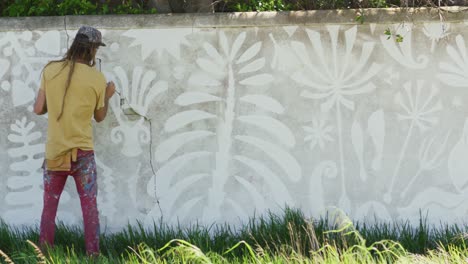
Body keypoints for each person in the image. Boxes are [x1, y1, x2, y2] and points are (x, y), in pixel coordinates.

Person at [33, 25, 115, 256]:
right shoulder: (98, 79)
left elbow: (39, 108)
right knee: (89, 208)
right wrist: (107, 96)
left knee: (49, 207)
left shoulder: (50, 70)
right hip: (83, 153)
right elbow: (99, 117)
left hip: (55, 152)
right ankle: (93, 255)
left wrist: (57, 100)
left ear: (75, 45)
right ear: (92, 50)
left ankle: (43, 256)